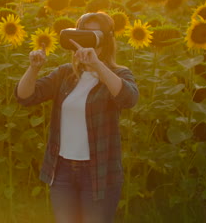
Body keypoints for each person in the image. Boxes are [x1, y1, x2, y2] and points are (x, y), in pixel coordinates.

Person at [15, 12, 139, 223]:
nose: (86, 41)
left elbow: (129, 99)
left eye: (93, 36)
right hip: (62, 169)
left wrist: (97, 65)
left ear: (105, 41)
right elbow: (25, 96)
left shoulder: (117, 74)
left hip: (99, 171)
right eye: (83, 34)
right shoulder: (66, 74)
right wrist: (33, 68)